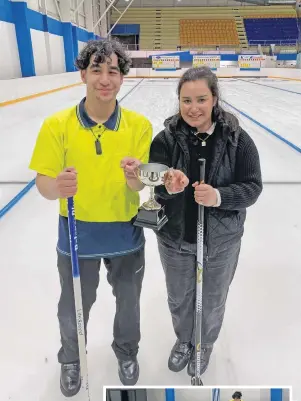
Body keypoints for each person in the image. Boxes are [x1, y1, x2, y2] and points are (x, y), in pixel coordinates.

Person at [29, 38, 153, 395]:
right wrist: (58, 188)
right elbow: (43, 183)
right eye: (96, 70)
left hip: (125, 235)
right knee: (72, 307)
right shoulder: (57, 125)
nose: (104, 79)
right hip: (76, 233)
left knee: (128, 304)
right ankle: (71, 357)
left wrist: (135, 178)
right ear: (83, 73)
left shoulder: (139, 125)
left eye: (112, 71)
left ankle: (126, 352)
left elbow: (142, 187)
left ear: (122, 78)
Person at [149, 66, 263, 377]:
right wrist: (168, 186)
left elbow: (253, 187)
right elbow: (155, 184)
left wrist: (219, 197)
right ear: (179, 101)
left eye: (201, 99)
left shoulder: (239, 140)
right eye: (186, 100)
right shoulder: (165, 139)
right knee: (179, 296)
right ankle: (185, 340)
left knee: (212, 299)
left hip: (221, 240)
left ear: (214, 98)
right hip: (174, 239)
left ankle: (204, 343)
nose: (193, 108)